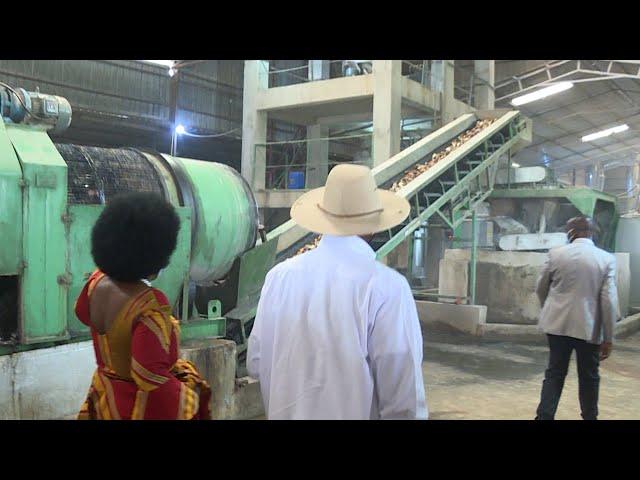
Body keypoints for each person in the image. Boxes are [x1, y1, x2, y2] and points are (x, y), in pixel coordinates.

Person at [247, 164, 428, 420]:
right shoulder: (386, 287)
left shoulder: (279, 277)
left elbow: (255, 363)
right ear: (373, 225)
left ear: (323, 219)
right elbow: (403, 399)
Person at [76, 192, 211, 420]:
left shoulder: (95, 281)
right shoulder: (149, 305)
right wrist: (189, 401)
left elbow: (82, 314)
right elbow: (148, 375)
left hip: (105, 396)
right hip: (135, 406)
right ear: (154, 254)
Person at [535, 215, 619, 420]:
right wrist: (609, 336)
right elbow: (608, 300)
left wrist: (551, 308)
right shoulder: (606, 259)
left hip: (557, 326)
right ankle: (590, 417)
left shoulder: (556, 254)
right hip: (588, 328)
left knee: (554, 373)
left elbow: (540, 288)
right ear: (592, 233)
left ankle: (544, 417)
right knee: (589, 376)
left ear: (570, 232)